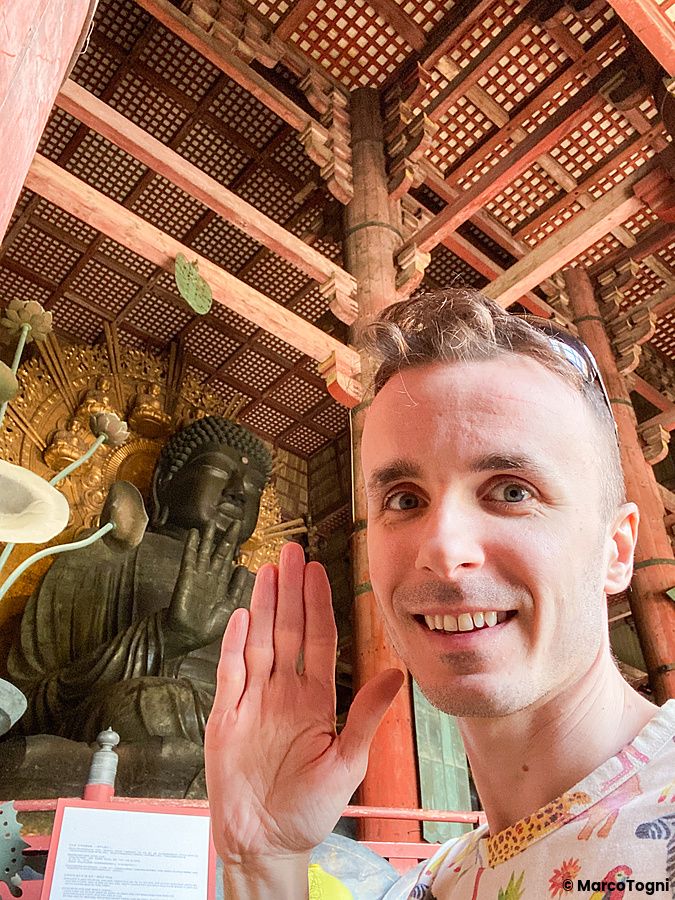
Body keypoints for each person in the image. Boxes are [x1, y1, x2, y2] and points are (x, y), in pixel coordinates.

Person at [205, 289, 675, 899]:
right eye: (404, 500)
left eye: (510, 491)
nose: (443, 548)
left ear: (616, 550)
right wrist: (261, 861)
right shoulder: (427, 888)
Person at [8, 415, 272, 746]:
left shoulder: (265, 595)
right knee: (152, 704)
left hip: (233, 742)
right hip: (127, 721)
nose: (238, 493)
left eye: (254, 486)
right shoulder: (104, 551)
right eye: (218, 470)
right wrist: (164, 637)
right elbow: (23, 705)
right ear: (164, 481)